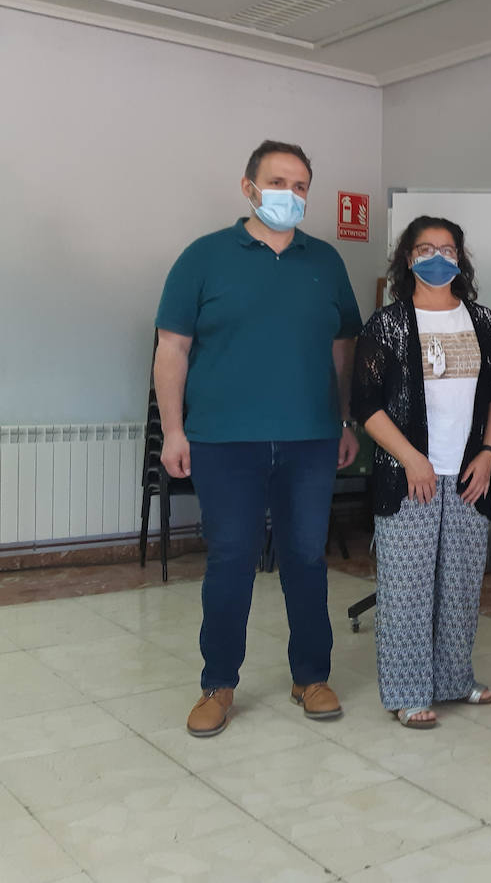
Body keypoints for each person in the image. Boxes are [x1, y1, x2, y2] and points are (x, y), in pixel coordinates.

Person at [155, 139, 362, 737]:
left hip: (310, 440)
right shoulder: (204, 257)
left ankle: (310, 677)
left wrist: (345, 419)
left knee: (304, 558)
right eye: (278, 183)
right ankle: (218, 684)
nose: (290, 195)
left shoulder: (325, 261)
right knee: (231, 560)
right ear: (248, 188)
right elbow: (173, 349)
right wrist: (173, 429)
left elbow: (342, 346)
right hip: (225, 440)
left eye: (301, 186)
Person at [352, 217, 491, 727]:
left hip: (468, 474)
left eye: (447, 249)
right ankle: (407, 692)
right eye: (425, 249)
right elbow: (366, 404)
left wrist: (487, 451)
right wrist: (411, 458)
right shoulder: (388, 325)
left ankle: (454, 679)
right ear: (408, 258)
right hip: (408, 476)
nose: (437, 257)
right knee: (406, 588)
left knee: (461, 585)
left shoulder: (482, 321)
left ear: (460, 259)